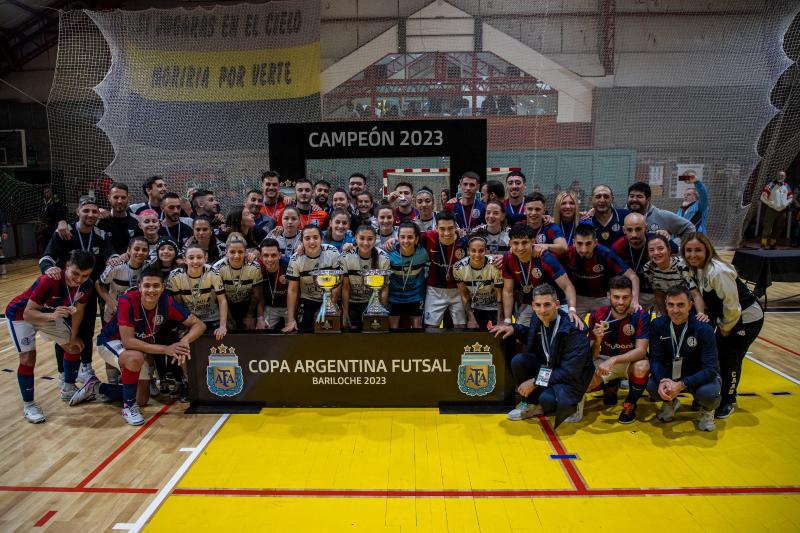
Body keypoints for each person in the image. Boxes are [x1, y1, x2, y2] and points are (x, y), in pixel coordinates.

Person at [73, 266, 205, 425]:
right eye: (147, 286)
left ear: (162, 287)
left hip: (137, 349)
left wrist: (184, 341)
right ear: (140, 286)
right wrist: (166, 349)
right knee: (135, 357)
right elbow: (128, 341)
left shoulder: (166, 301)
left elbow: (199, 324)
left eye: (156, 286)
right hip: (111, 342)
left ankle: (96, 387)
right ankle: (128, 407)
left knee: (142, 398)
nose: (151, 290)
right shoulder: (127, 300)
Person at [6, 250, 95, 423]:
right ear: (67, 266)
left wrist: (73, 336)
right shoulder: (49, 280)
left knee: (74, 346)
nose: (78, 279)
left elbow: (80, 310)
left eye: (84, 275)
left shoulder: (87, 284)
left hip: (49, 314)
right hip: (20, 315)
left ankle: (68, 388)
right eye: (75, 273)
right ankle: (29, 405)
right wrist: (52, 316)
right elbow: (28, 314)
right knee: (28, 358)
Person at [682, 232, 764, 419]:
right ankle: (710, 394)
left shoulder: (718, 271)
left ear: (708, 250)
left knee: (730, 359)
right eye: (688, 250)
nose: (692, 255)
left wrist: (725, 328)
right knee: (716, 357)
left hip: (746, 318)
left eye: (698, 250)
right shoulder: (696, 269)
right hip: (726, 318)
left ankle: (729, 400)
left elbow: (732, 307)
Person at [491, 284, 593, 428]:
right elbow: (533, 336)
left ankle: (576, 401)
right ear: (532, 305)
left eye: (547, 305)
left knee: (547, 400)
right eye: (538, 305)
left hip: (571, 377)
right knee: (519, 361)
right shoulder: (537, 318)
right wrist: (514, 328)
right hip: (551, 368)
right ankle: (530, 402)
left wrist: (534, 382)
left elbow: (569, 372)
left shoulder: (573, 330)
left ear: (557, 304)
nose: (542, 310)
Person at [40, 195, 117, 384]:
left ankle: (86, 367)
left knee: (87, 329)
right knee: (63, 332)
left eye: (94, 211)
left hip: (89, 291)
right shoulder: (64, 233)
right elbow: (47, 257)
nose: (90, 214)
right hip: (65, 292)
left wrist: (115, 258)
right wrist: (49, 268)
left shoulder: (100, 234)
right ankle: (62, 373)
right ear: (78, 212)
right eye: (86, 210)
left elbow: (111, 253)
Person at [647, 285, 721, 432]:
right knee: (652, 386)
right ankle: (671, 403)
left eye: (680, 305)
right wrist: (663, 380)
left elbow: (711, 369)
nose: (675, 310)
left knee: (709, 394)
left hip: (698, 375)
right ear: (666, 305)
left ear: (690, 305)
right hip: (671, 375)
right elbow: (655, 359)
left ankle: (707, 411)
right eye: (671, 305)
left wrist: (681, 384)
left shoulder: (704, 329)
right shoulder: (657, 325)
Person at [586, 276, 650, 423]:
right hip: (604, 360)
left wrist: (613, 360)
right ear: (608, 295)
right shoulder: (597, 315)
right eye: (616, 297)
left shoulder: (640, 315)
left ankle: (630, 403)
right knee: (583, 385)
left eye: (625, 297)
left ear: (632, 296)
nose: (621, 302)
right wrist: (598, 341)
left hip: (630, 362)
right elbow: (594, 355)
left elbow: (641, 351)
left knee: (643, 366)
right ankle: (610, 384)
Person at [501, 224, 580, 328]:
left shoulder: (545, 258)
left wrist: (572, 310)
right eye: (515, 243)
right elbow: (508, 291)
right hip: (531, 304)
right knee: (519, 336)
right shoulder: (508, 259)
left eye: (525, 243)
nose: (520, 248)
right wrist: (507, 320)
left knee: (566, 331)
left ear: (533, 241)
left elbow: (567, 286)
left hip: (555, 302)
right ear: (510, 243)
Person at [565, 224, 640, 317]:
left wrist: (635, 300)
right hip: (578, 299)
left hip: (603, 298)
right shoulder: (567, 254)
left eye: (588, 243)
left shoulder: (605, 254)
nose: (584, 249)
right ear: (574, 242)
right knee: (574, 327)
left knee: (607, 329)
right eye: (580, 243)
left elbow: (633, 276)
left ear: (595, 242)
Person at [283, 225, 343, 332]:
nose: (312, 242)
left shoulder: (332, 252)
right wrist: (291, 319)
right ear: (302, 241)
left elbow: (338, 283)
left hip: (330, 299)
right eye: (307, 238)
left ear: (321, 239)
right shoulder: (296, 259)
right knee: (304, 329)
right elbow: (292, 290)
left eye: (315, 237)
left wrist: (330, 305)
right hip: (308, 300)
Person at [612, 212, 675, 310]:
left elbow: (677, 255)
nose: (634, 234)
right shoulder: (618, 247)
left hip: (661, 290)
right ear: (624, 230)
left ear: (645, 228)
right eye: (629, 230)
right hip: (635, 292)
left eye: (638, 229)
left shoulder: (657, 240)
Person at [167, 245, 228, 338]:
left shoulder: (213, 272)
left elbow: (222, 300)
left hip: (212, 317)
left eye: (199, 257)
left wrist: (222, 326)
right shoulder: (175, 275)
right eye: (191, 258)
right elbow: (178, 302)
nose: (195, 261)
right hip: (190, 318)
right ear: (185, 259)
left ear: (205, 258)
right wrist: (184, 323)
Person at [420, 211, 467, 328]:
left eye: (450, 228)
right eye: (442, 229)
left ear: (456, 227)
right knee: (430, 329)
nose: (446, 233)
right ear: (436, 228)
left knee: (461, 328)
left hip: (458, 291)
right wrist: (393, 241)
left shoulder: (464, 242)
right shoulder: (428, 237)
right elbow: (408, 238)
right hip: (434, 290)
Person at [643, 233, 706, 317]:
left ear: (669, 250)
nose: (656, 253)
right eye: (651, 250)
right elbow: (658, 294)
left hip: (689, 306)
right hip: (671, 306)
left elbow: (695, 294)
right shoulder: (648, 268)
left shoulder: (681, 265)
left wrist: (700, 314)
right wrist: (664, 316)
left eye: (660, 248)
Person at [342, 225, 390, 330]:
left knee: (374, 330)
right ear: (355, 238)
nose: (365, 243)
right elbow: (345, 287)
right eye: (362, 238)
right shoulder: (347, 256)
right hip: (352, 302)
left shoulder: (383, 258)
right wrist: (345, 313)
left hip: (372, 303)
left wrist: (382, 311)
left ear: (375, 239)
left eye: (370, 239)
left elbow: (384, 288)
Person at [213, 233, 264, 331]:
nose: (236, 256)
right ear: (226, 252)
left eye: (240, 252)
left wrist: (249, 316)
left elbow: (257, 294)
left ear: (246, 252)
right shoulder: (217, 268)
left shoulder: (254, 267)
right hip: (227, 305)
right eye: (232, 252)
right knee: (229, 329)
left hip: (247, 304)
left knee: (250, 328)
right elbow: (219, 298)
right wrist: (229, 319)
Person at [453, 236, 504, 329]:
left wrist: (501, 319)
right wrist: (471, 319)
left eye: (481, 251)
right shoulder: (458, 268)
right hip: (475, 306)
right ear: (468, 251)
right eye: (473, 250)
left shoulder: (494, 265)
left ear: (486, 251)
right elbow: (464, 295)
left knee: (500, 332)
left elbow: (499, 295)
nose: (477, 254)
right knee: (473, 334)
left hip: (495, 306)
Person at [96, 236, 149, 325]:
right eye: (136, 249)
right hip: (113, 313)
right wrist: (111, 303)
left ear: (148, 253)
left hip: (137, 314)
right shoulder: (116, 266)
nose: (140, 252)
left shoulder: (148, 267)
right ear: (128, 250)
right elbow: (98, 284)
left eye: (144, 250)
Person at [386, 222, 430, 329]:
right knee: (393, 328)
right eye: (402, 237)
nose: (406, 241)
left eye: (410, 237)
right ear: (398, 238)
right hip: (394, 295)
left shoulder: (423, 253)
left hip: (416, 295)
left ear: (416, 239)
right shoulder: (389, 253)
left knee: (417, 327)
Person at [627, 182, 695, 238]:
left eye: (639, 196)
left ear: (648, 199)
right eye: (631, 196)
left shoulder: (662, 215)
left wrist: (677, 245)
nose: (634, 199)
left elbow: (689, 228)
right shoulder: (622, 215)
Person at [98, 182, 141, 256]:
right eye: (116, 197)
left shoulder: (137, 221)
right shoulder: (100, 220)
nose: (120, 201)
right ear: (109, 198)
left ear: (128, 198)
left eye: (123, 197)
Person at [523, 192, 568, 256]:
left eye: (537, 209)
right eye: (530, 209)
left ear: (544, 210)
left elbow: (563, 247)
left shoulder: (550, 227)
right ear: (525, 209)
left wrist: (545, 246)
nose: (533, 213)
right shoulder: (520, 226)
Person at [258, 238, 289, 330]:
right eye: (266, 255)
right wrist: (260, 319)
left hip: (289, 307)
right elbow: (258, 296)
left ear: (280, 255)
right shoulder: (257, 268)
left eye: (273, 255)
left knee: (294, 333)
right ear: (260, 256)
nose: (270, 259)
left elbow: (296, 292)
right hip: (270, 307)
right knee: (261, 333)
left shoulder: (289, 266)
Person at [759, 170, 793, 249]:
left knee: (778, 229)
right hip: (771, 210)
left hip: (782, 211)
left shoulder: (787, 186)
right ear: (777, 176)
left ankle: (772, 246)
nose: (781, 177)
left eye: (782, 175)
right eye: (779, 175)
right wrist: (770, 203)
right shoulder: (771, 184)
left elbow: (791, 197)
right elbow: (763, 196)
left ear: (785, 177)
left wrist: (786, 203)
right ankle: (763, 246)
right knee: (767, 229)